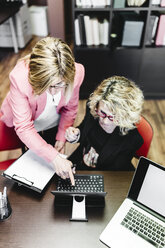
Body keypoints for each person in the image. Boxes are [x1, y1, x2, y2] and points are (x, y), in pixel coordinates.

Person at [0, 37, 85, 185]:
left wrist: (61, 136)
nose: (53, 92)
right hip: (29, 122)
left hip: (54, 120)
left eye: (59, 85)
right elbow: (25, 127)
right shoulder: (20, 78)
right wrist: (52, 157)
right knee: (34, 163)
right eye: (47, 86)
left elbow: (70, 108)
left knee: (52, 161)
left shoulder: (76, 73)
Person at [65, 76, 144, 171]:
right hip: (80, 159)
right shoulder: (93, 108)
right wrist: (76, 135)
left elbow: (114, 172)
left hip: (106, 174)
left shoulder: (132, 140)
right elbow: (85, 128)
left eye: (113, 117)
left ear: (124, 116)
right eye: (102, 113)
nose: (105, 121)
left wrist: (81, 174)